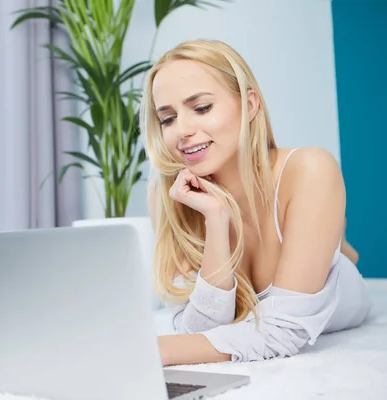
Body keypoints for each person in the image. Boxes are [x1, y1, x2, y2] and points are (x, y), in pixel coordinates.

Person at [140, 39, 371, 366]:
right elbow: (200, 329)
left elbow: (283, 331)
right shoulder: (168, 196)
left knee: (342, 256)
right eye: (167, 119)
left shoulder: (310, 168)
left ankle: (340, 245)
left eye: (202, 108)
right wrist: (216, 222)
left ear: (250, 105)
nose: (182, 130)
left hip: (343, 289)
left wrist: (148, 350)